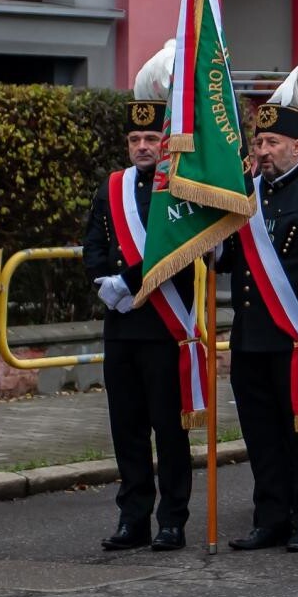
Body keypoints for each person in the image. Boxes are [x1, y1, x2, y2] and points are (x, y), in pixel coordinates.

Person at [223, 61, 298, 554]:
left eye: (272, 143)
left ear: (296, 145)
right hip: (251, 334)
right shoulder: (243, 197)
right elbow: (230, 259)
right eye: (259, 143)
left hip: (297, 336)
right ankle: (269, 517)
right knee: (262, 432)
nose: (263, 151)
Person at [83, 50, 193, 552]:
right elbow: (93, 244)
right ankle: (133, 518)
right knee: (127, 428)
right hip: (121, 326)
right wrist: (103, 283)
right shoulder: (112, 187)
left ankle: (172, 519)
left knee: (169, 429)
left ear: (164, 141)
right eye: (135, 139)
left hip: (164, 327)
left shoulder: (179, 190)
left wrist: (127, 282)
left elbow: (174, 250)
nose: (142, 147)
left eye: (150, 138)